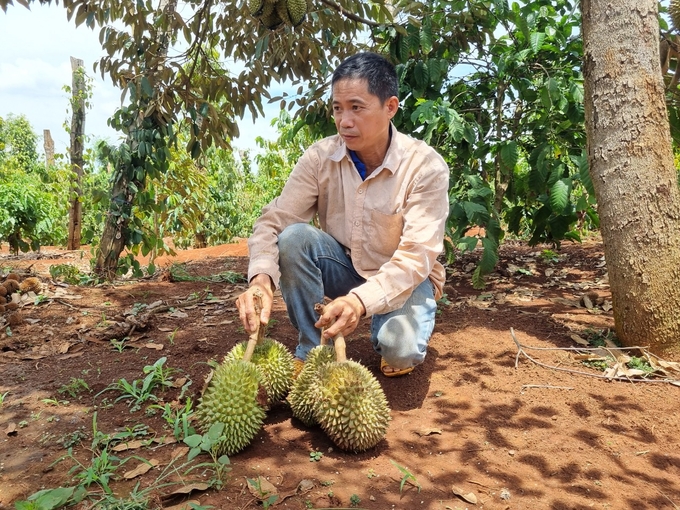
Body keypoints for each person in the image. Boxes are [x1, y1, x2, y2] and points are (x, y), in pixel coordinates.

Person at [235, 52, 449, 377]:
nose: (344, 120)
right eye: (338, 108)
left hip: (405, 277)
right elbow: (274, 221)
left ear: (390, 107)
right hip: (344, 265)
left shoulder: (425, 167)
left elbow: (416, 257)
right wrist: (261, 280)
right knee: (293, 237)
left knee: (400, 350)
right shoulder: (320, 158)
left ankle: (390, 322)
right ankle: (311, 349)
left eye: (356, 107)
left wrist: (360, 302)